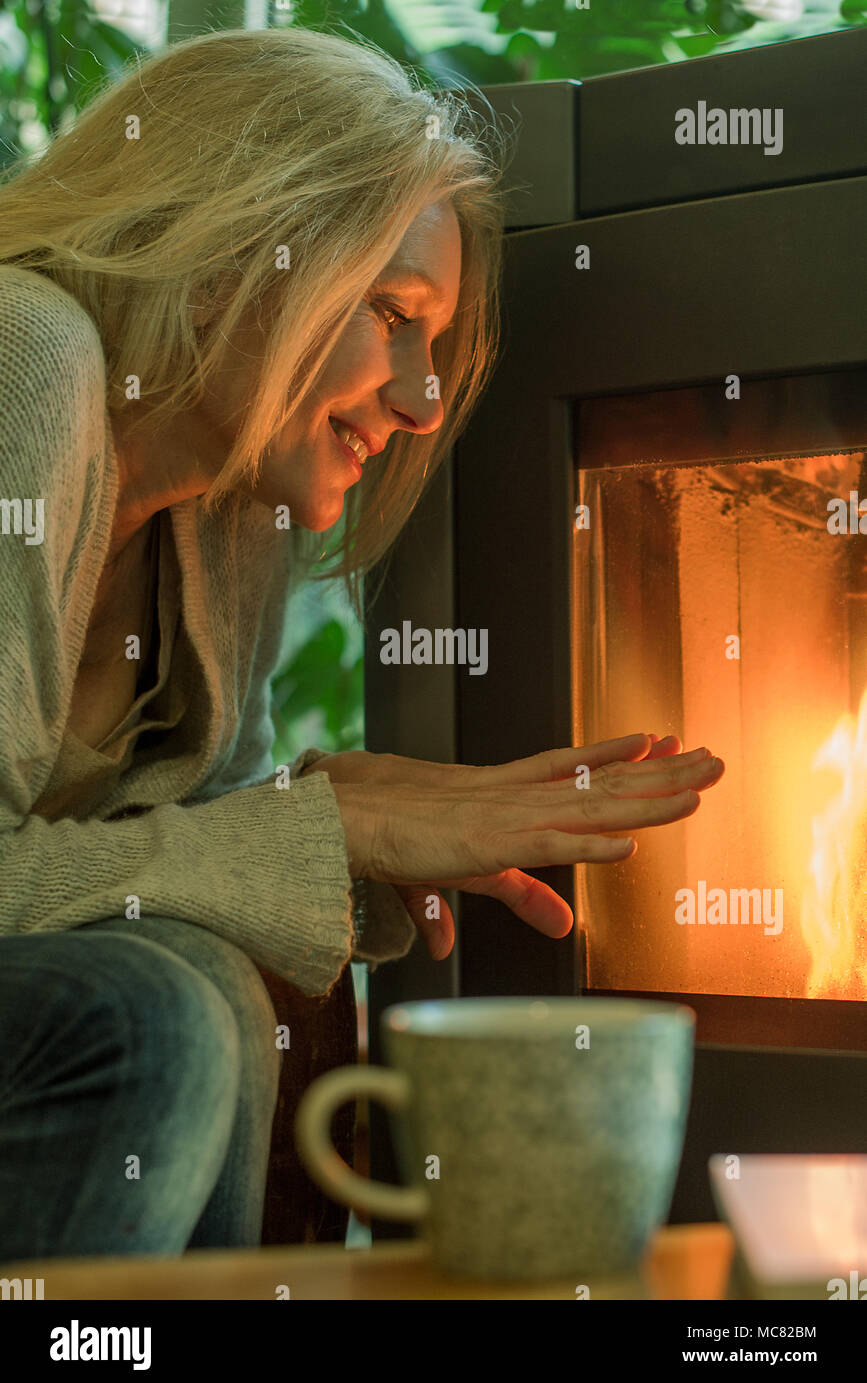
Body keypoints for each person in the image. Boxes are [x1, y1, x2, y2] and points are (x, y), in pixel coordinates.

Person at [0, 26, 724, 1262]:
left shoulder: (226, 508)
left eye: (433, 341)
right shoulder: (29, 360)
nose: (424, 394)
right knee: (158, 1014)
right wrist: (320, 833)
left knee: (214, 981)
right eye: (394, 314)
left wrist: (329, 810)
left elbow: (147, 863)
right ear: (236, 252)